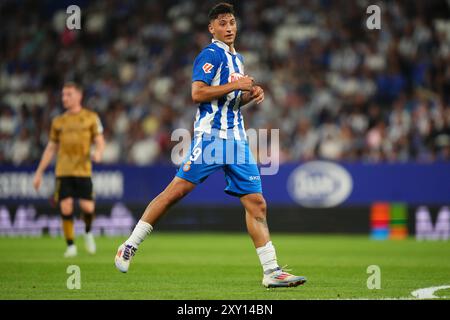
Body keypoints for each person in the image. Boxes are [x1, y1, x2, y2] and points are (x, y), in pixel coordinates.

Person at [115, 3, 306, 288]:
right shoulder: (210, 55)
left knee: (257, 203)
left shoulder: (237, 59)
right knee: (176, 192)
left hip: (238, 140)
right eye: (222, 23)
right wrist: (236, 85)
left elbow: (230, 102)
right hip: (211, 138)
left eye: (232, 22)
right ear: (211, 28)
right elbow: (198, 93)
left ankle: (271, 271)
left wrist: (248, 95)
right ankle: (130, 244)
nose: (229, 27)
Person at [33, 82, 105, 258]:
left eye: (69, 94)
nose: (64, 98)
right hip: (63, 171)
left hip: (83, 171)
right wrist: (39, 172)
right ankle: (71, 245)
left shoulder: (91, 117)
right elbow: (51, 148)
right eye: (63, 95)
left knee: (88, 208)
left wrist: (98, 153)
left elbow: (100, 140)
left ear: (79, 96)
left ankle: (87, 232)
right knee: (66, 207)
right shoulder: (58, 121)